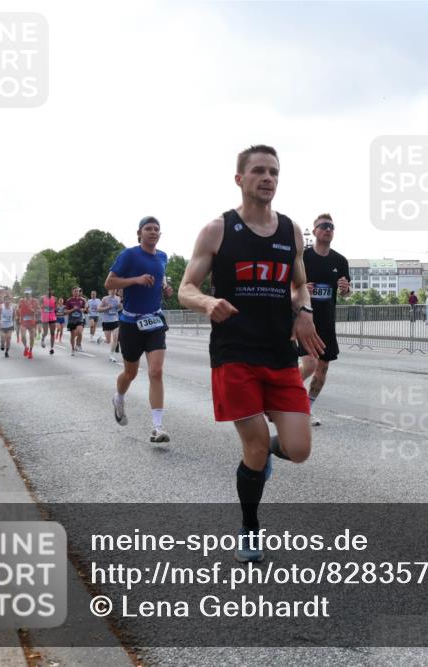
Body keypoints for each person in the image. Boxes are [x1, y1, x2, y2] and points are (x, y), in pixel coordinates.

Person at [179, 144, 324, 563]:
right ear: (239, 179)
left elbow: (299, 285)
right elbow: (186, 288)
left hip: (279, 353)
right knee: (255, 446)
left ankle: (262, 461)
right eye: (259, 170)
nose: (268, 178)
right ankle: (249, 527)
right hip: (235, 353)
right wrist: (207, 302)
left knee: (299, 449)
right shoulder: (218, 230)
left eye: (274, 172)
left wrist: (304, 312)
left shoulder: (291, 231)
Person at [105, 216, 174, 443]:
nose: (153, 232)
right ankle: (119, 397)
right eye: (148, 229)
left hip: (154, 320)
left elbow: (160, 280)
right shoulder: (129, 255)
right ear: (139, 233)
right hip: (130, 322)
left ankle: (157, 427)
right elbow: (109, 283)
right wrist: (136, 280)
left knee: (156, 371)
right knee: (131, 373)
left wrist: (166, 288)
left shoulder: (162, 257)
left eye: (156, 229)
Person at [298, 213, 351, 427]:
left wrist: (346, 290)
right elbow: (288, 287)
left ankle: (307, 409)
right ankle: (282, 393)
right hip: (303, 319)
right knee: (310, 364)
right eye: (324, 226)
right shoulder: (302, 257)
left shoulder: (340, 261)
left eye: (331, 226)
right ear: (315, 230)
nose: (328, 229)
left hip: (327, 322)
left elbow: (346, 293)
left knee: (322, 369)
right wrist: (301, 289)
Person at [99, 288, 122, 362]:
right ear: (109, 290)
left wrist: (120, 307)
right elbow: (99, 309)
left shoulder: (118, 298)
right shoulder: (105, 298)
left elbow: (119, 308)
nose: (114, 291)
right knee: (108, 341)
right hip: (106, 321)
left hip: (115, 320)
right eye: (112, 289)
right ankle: (102, 339)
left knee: (115, 338)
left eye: (115, 289)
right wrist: (107, 307)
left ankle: (111, 355)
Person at [64, 287, 87, 356]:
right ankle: (72, 349)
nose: (77, 292)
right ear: (72, 292)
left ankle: (78, 345)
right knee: (72, 335)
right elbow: (65, 312)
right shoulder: (69, 301)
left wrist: (83, 310)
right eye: (75, 291)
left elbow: (85, 309)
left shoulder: (82, 300)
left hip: (79, 319)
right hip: (71, 320)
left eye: (77, 291)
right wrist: (73, 309)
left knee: (79, 332)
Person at [18, 289, 38, 359]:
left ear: (30, 294)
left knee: (32, 337)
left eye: (28, 294)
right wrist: (19, 316)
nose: (27, 295)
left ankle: (30, 351)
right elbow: (19, 309)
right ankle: (26, 347)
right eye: (26, 294)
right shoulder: (21, 300)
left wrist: (33, 310)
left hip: (31, 321)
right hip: (24, 321)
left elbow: (38, 310)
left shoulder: (34, 301)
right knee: (23, 336)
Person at [40, 289, 57, 355]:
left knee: (52, 333)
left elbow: (55, 307)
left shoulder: (54, 298)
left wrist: (54, 309)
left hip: (52, 317)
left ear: (52, 291)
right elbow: (40, 306)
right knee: (46, 332)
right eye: (48, 290)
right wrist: (45, 306)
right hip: (45, 318)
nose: (49, 292)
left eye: (50, 291)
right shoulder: (42, 298)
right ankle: (42, 339)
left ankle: (51, 348)